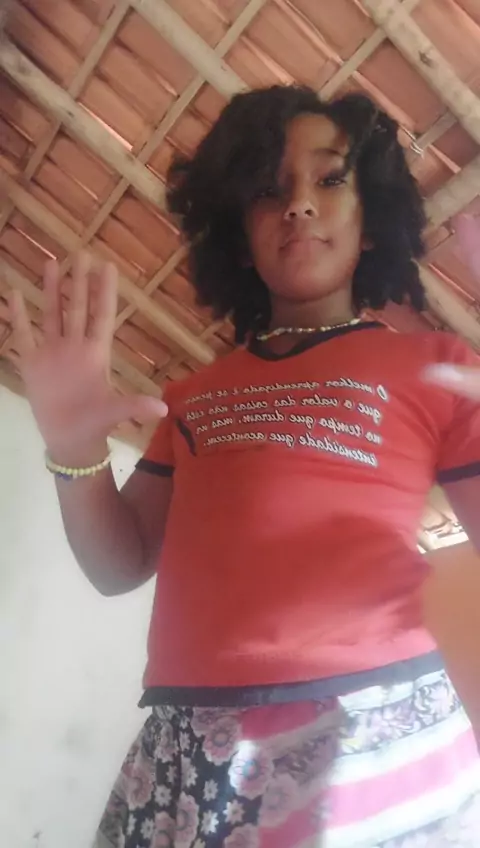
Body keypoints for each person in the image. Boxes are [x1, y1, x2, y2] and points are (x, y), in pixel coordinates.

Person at [8, 85, 480, 847]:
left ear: (371, 223)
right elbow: (119, 565)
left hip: (373, 730)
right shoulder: (191, 395)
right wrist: (73, 452)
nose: (299, 204)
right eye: (268, 189)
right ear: (236, 233)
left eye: (330, 178)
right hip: (189, 740)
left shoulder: (435, 366)